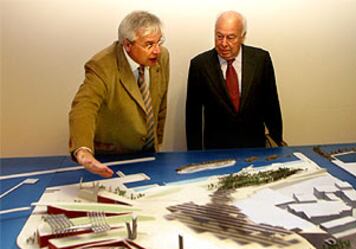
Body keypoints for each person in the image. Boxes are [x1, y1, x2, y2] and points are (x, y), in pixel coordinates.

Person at [69, 11, 169, 178]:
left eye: (159, 42)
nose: (157, 50)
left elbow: (160, 103)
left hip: (150, 156)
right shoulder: (102, 66)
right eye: (149, 44)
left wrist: (156, 144)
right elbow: (84, 107)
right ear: (127, 44)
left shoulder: (162, 56)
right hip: (113, 159)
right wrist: (83, 150)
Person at [186, 11, 285, 150]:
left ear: (242, 37)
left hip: (254, 147)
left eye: (231, 37)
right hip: (216, 149)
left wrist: (278, 142)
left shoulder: (260, 60)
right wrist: (194, 155)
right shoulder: (200, 65)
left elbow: (271, 104)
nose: (223, 43)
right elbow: (193, 117)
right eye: (219, 36)